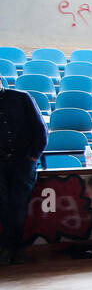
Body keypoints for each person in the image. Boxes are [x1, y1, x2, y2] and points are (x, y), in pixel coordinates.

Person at [0, 77, 46, 265]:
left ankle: (15, 248)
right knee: (2, 204)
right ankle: (8, 248)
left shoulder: (21, 98)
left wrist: (34, 155)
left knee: (18, 204)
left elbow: (39, 128)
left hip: (23, 162)